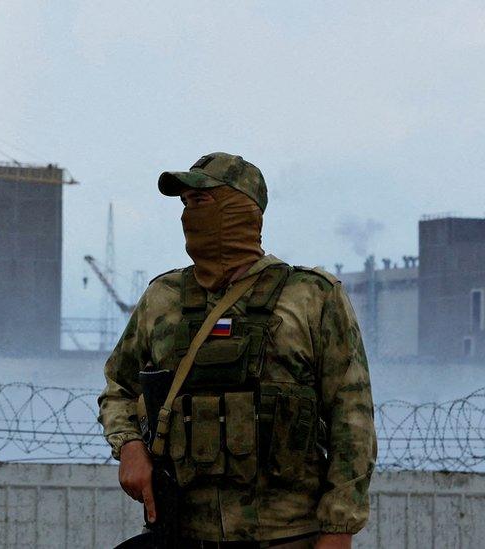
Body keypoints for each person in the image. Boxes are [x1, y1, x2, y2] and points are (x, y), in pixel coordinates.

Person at [98, 152, 377, 549]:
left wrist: (338, 530)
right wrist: (128, 446)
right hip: (185, 536)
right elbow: (119, 386)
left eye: (200, 202)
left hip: (288, 536)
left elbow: (353, 419)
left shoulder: (312, 297)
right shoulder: (164, 299)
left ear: (240, 209)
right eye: (184, 205)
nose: (187, 216)